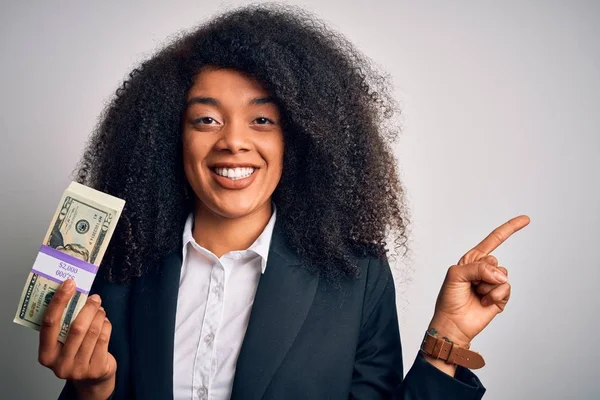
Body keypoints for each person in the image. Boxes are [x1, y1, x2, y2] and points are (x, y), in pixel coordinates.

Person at [37, 4, 529, 399]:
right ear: (170, 136)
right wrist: (92, 392)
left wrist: (448, 341)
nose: (233, 142)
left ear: (302, 138)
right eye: (206, 120)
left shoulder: (356, 277)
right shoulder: (117, 268)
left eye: (262, 121)